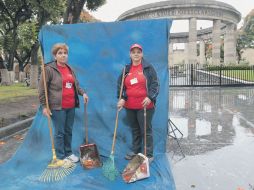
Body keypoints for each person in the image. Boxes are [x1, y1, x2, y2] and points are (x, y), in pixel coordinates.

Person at [38, 43, 89, 163]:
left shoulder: (70, 69)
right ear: (55, 56)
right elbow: (42, 90)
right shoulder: (49, 69)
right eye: (60, 53)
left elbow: (75, 85)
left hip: (71, 105)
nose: (63, 55)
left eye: (65, 53)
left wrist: (83, 93)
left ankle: (68, 153)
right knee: (60, 132)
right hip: (57, 107)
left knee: (68, 131)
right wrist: (44, 106)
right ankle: (61, 157)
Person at [117, 43, 159, 163]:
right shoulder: (126, 69)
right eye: (133, 52)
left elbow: (155, 85)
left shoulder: (148, 68)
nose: (136, 54)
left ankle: (148, 154)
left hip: (145, 106)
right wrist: (122, 99)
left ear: (142, 54)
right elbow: (121, 87)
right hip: (130, 106)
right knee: (134, 129)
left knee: (145, 130)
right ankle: (136, 151)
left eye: (138, 52)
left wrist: (150, 97)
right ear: (130, 54)